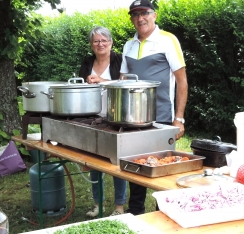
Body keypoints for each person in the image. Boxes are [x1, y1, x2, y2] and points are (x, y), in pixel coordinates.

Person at [120, 0, 188, 215]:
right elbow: (122, 81)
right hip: (133, 119)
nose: (140, 18)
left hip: (162, 117)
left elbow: (182, 82)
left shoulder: (168, 40)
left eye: (144, 13)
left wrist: (179, 119)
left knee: (163, 167)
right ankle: (136, 213)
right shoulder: (128, 46)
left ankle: (164, 214)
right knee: (135, 165)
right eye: (135, 15)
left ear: (154, 15)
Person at [79, 26, 127, 217]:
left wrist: (101, 80)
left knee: (116, 163)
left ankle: (119, 207)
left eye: (104, 40)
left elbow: (125, 84)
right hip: (93, 117)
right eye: (96, 41)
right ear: (91, 45)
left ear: (111, 43)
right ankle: (98, 205)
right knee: (94, 162)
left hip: (116, 117)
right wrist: (87, 82)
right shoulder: (87, 62)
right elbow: (79, 86)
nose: (100, 44)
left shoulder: (120, 61)